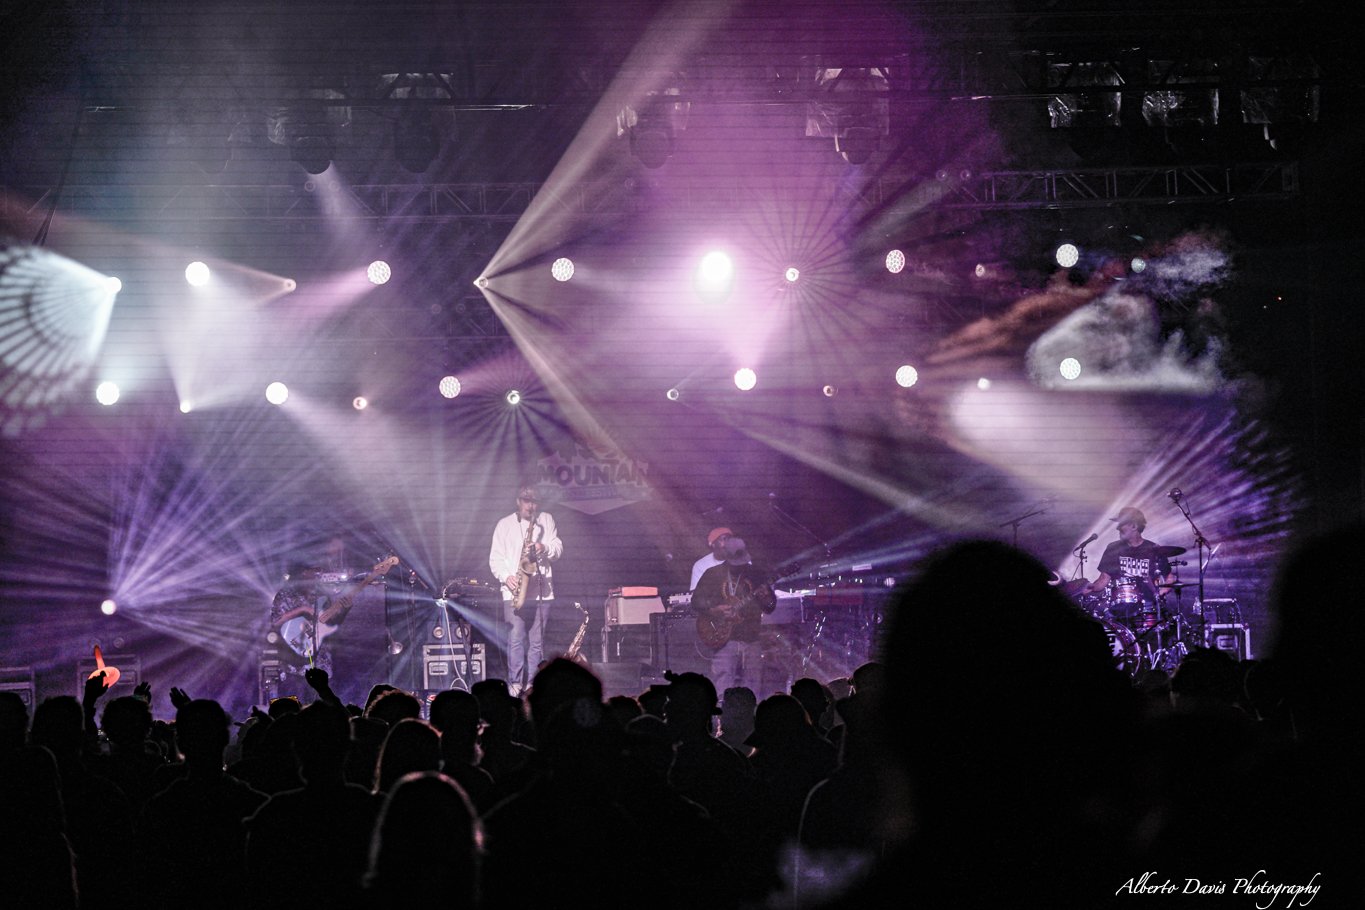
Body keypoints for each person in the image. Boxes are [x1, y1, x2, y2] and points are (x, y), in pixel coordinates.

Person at [489, 483, 564, 694]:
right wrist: (507, 577)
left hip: (542, 592)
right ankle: (514, 683)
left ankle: (532, 683)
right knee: (515, 640)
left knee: (537, 642)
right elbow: (495, 558)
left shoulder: (546, 520)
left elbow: (557, 549)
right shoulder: (504, 525)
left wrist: (544, 547)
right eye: (526, 500)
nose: (530, 506)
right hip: (515, 591)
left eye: (534, 501)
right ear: (517, 501)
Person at [691, 537, 775, 693]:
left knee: (752, 684)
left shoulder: (756, 574)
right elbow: (696, 602)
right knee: (723, 683)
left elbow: (770, 607)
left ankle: (752, 714)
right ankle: (722, 716)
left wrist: (766, 597)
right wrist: (715, 610)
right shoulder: (713, 574)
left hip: (751, 637)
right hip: (724, 638)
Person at [1081, 506, 1175, 615]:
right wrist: (1092, 587)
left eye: (1121, 524)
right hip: (1119, 606)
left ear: (1134, 526)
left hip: (1148, 607)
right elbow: (1103, 579)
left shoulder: (1154, 549)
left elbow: (1170, 577)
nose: (1118, 528)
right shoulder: (1113, 548)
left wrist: (1162, 591)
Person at [691, 526, 734, 591]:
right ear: (713, 544)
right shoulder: (700, 565)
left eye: (730, 539)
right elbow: (697, 595)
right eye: (724, 539)